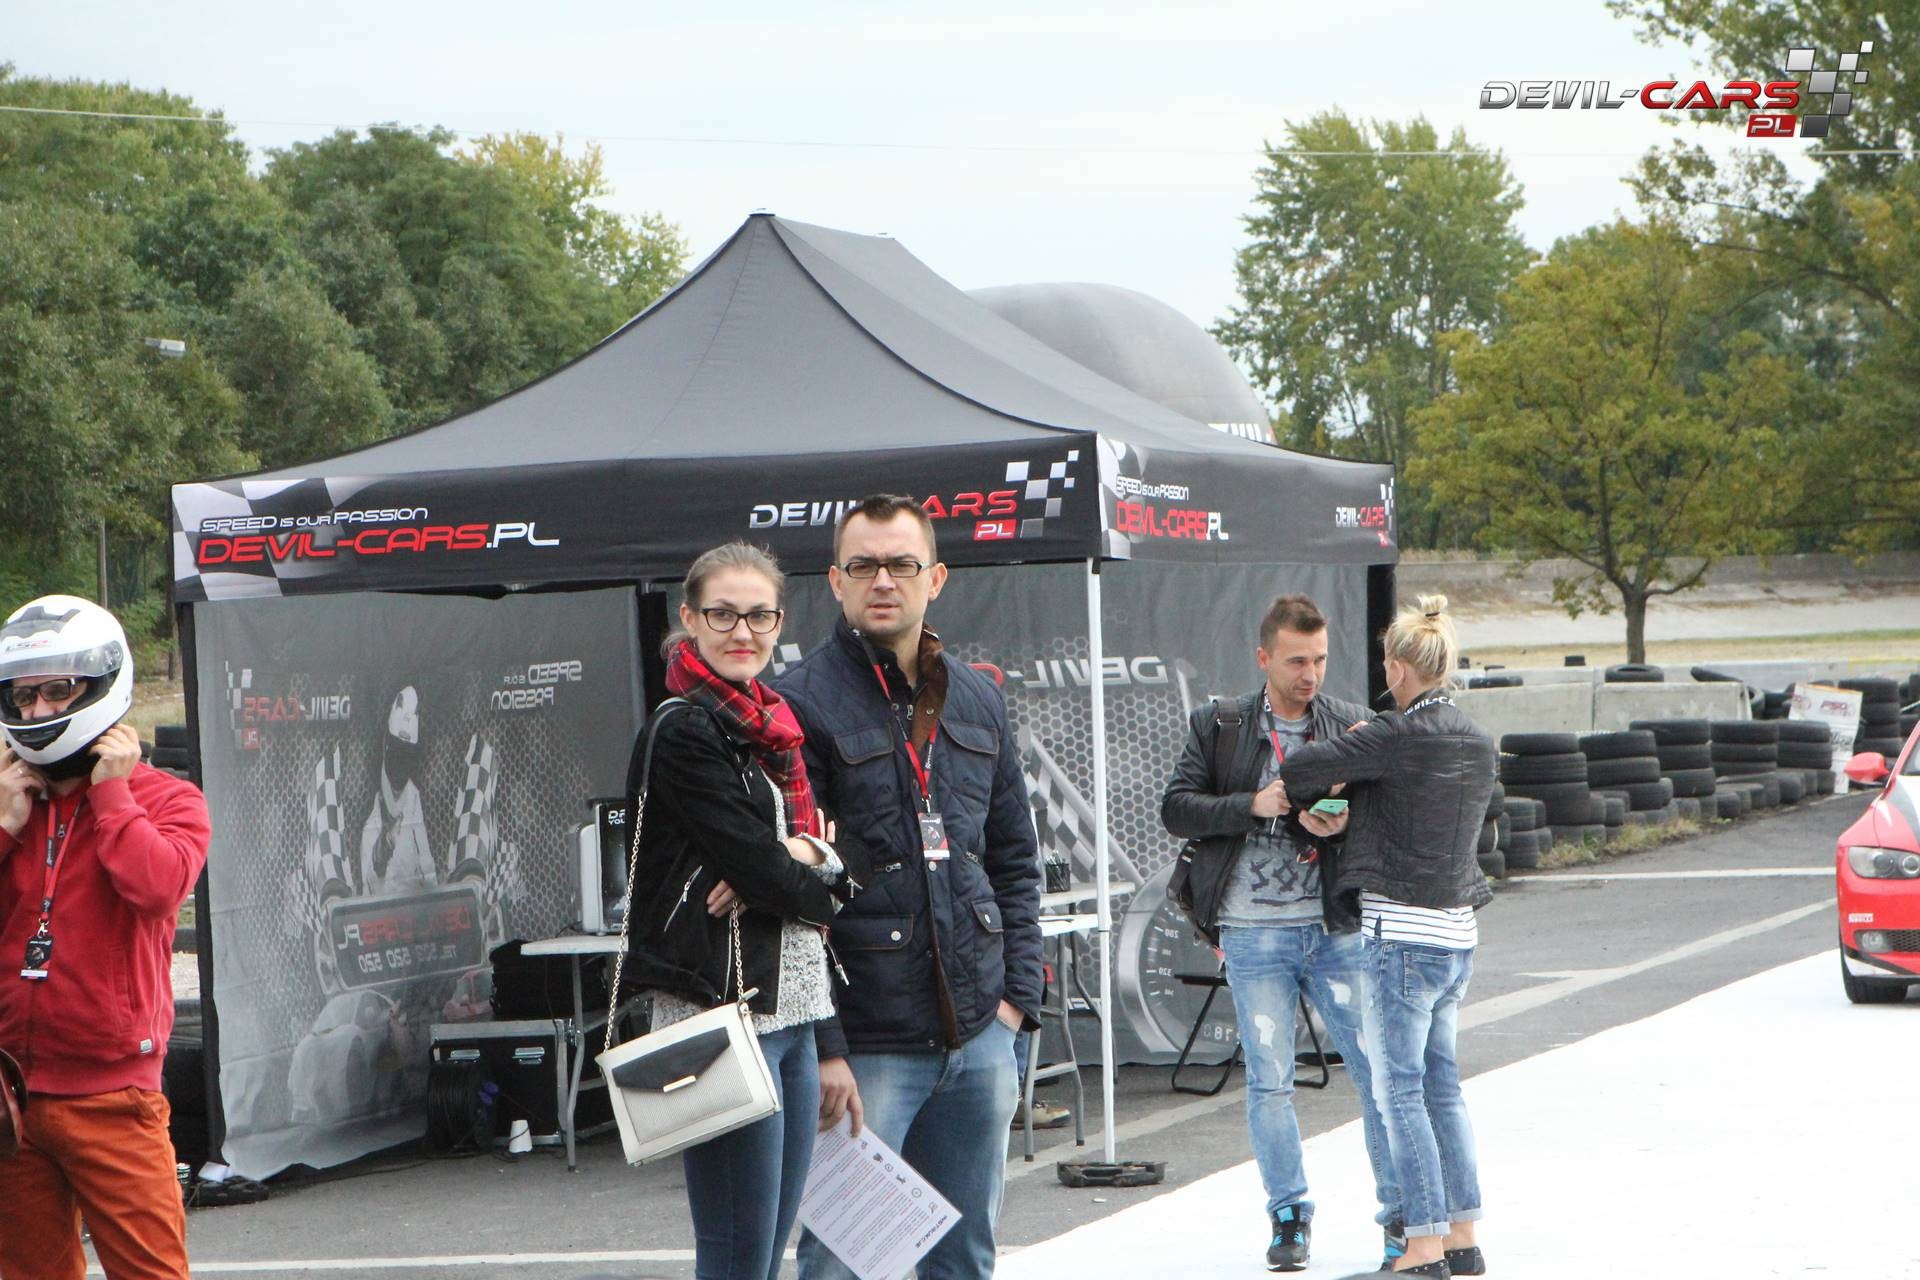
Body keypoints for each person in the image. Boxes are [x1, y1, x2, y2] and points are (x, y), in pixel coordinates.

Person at [778, 494, 1043, 1280]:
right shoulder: (797, 704)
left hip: (979, 1032)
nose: (883, 581)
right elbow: (792, 899)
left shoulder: (977, 697)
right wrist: (825, 1046)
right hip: (865, 1047)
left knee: (964, 1259)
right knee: (843, 1260)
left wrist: (1016, 1003)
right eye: (864, 566)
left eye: (902, 564)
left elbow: (1015, 859)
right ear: (836, 581)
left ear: (937, 577)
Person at [622, 543, 863, 1280]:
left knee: (764, 1252)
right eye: (722, 614)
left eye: (759, 615)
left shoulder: (773, 727)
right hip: (724, 1011)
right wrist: (798, 865)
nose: (742, 631)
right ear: (690, 618)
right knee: (737, 1257)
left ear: (779, 622)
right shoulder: (686, 730)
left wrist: (801, 854)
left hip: (794, 1011)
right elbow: (774, 875)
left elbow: (832, 856)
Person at [1160, 593, 1403, 1273]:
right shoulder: (1221, 724)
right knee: (1270, 1082)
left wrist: (1344, 824)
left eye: (1320, 659)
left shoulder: (1348, 723)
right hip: (1253, 931)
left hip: (1335, 927)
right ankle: (1289, 1213)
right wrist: (1251, 804)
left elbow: (1385, 816)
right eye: (1297, 661)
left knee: (1377, 1075)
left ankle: (1400, 1215)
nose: (1310, 674)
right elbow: (1176, 809)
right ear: (1264, 657)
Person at [1272, 594, 1494, 1279]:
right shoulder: (1477, 738)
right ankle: (1462, 1237)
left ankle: (1421, 1247)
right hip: (1458, 932)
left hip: (1400, 936)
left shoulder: (1393, 734)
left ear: (1397, 667)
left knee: (1399, 1093)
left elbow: (1299, 770)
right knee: (1443, 1089)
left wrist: (1353, 767)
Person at [0, 595, 211, 1280]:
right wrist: (4, 827)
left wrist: (113, 796)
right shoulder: (9, 799)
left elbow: (158, 889)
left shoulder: (169, 800)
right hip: (13, 1095)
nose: (38, 709)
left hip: (114, 1095)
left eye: (57, 690)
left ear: (99, 686)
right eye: (24, 695)